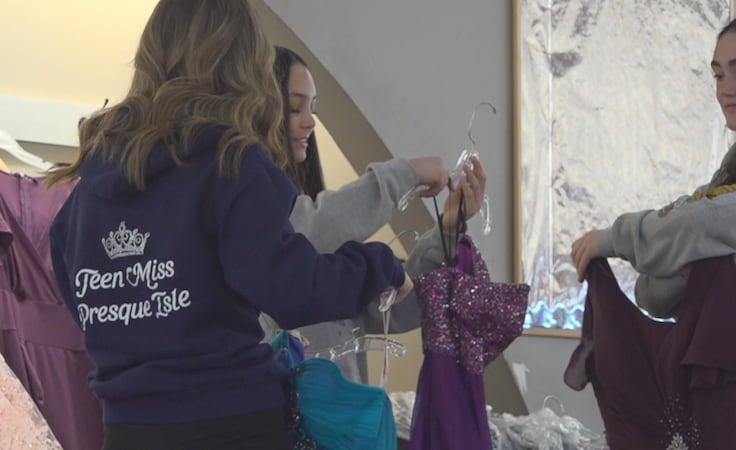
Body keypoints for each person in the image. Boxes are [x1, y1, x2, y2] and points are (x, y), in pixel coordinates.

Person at [45, 1, 420, 449]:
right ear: (244, 61)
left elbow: (78, 299)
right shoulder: (229, 163)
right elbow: (295, 290)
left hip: (127, 430)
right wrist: (380, 264)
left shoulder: (88, 188)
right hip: (231, 424)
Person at [570, 7, 736, 450]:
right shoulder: (734, 182)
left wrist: (614, 238)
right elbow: (654, 293)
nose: (726, 89)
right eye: (718, 75)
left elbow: (699, 221)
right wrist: (682, 256)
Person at [262, 46, 487, 384]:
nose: (310, 121)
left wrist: (446, 232)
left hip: (346, 427)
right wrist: (403, 174)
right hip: (282, 428)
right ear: (261, 109)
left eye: (313, 107)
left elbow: (396, 306)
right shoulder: (256, 223)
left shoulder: (321, 233)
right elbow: (304, 230)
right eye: (295, 108)